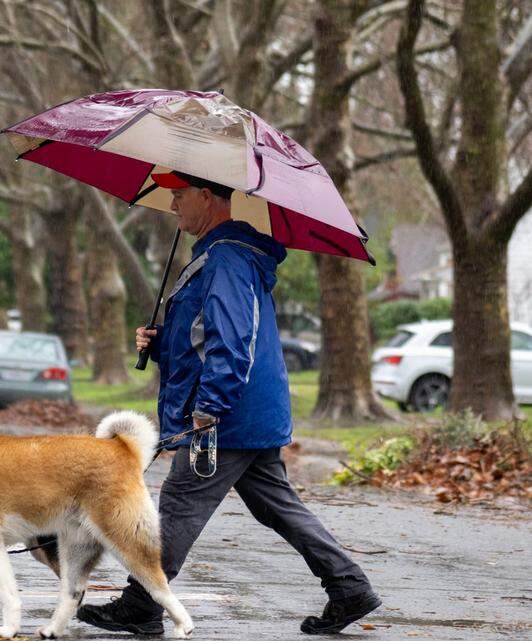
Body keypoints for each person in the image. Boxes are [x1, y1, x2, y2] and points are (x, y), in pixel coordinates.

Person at [76, 171, 381, 636]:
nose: (173, 205)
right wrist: (161, 343)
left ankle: (141, 603)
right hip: (251, 411)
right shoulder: (222, 256)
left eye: (179, 196)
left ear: (206, 196)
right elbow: (207, 335)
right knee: (275, 505)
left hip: (227, 414)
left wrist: (208, 409)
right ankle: (349, 587)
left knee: (179, 501)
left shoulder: (227, 259)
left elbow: (234, 340)